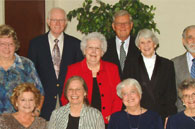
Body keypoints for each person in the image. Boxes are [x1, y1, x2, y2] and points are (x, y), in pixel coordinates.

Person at [28, 7, 83, 120]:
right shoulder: (35, 44)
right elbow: (31, 76)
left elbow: (79, 76)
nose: (57, 23)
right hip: (43, 105)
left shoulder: (76, 44)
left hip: (70, 103)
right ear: (48, 21)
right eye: (54, 20)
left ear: (66, 22)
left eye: (61, 20)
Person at [60, 32, 122, 126]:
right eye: (90, 48)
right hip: (80, 122)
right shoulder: (73, 69)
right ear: (84, 51)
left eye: (97, 48)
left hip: (107, 122)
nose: (93, 52)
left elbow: (118, 96)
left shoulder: (112, 69)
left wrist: (113, 116)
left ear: (102, 52)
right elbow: (65, 97)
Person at [123, 29, 177, 122]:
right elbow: (126, 91)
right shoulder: (130, 64)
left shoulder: (167, 64)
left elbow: (171, 94)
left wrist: (170, 116)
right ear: (139, 46)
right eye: (142, 43)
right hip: (138, 114)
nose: (146, 45)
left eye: (149, 42)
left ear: (155, 44)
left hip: (162, 115)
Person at [0, 24, 44, 115]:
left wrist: (36, 111)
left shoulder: (26, 64)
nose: (7, 48)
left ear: (15, 45)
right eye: (2, 44)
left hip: (22, 122)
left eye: (10, 44)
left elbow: (40, 92)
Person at [103, 10, 140, 79]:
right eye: (119, 24)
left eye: (126, 23)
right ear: (113, 26)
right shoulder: (104, 46)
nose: (123, 26)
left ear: (131, 25)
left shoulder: (140, 45)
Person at [172, 25, 195, 112]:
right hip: (183, 115)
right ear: (183, 41)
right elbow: (171, 94)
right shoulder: (173, 64)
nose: (194, 40)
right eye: (190, 37)